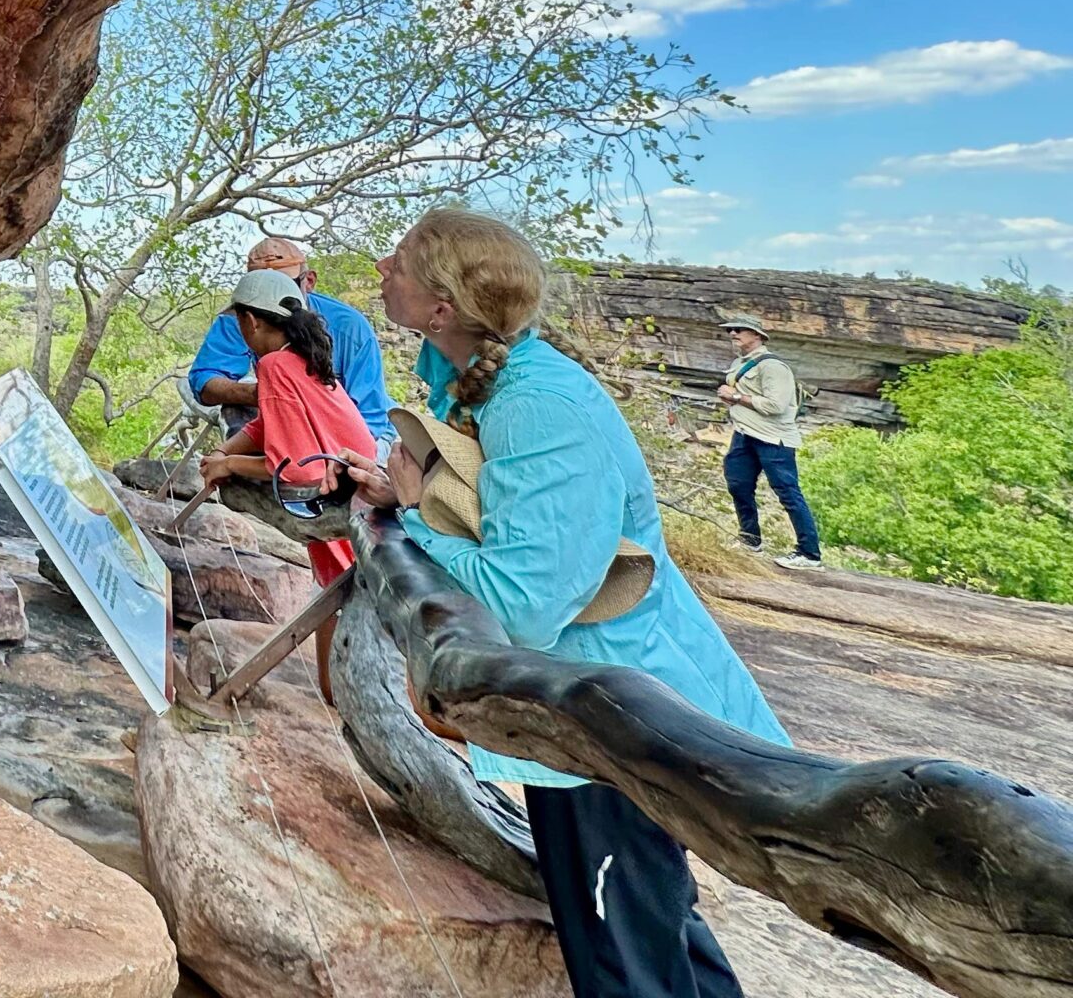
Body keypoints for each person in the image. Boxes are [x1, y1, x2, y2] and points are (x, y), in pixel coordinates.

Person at [338, 209, 788, 998]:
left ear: (442, 307)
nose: (382, 266)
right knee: (653, 932)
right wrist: (412, 493)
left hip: (616, 719)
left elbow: (523, 603)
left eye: (399, 258)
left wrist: (413, 516)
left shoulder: (537, 407)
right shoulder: (487, 380)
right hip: (590, 707)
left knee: (623, 957)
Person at [197, 268, 377, 699]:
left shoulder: (275, 365)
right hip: (358, 491)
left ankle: (336, 695)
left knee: (339, 597)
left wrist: (230, 465)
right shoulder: (300, 357)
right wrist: (225, 452)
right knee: (337, 592)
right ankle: (335, 692)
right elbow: (268, 422)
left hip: (336, 500)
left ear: (250, 321)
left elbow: (291, 468)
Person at [189, 235, 396, 451]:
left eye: (284, 286)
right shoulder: (240, 322)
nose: (268, 297)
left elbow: (368, 423)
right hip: (296, 430)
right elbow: (204, 381)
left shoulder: (350, 328)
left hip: (356, 440)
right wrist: (264, 395)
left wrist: (233, 463)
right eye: (259, 288)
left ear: (309, 281)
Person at [715, 312, 823, 570]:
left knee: (788, 493)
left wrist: (736, 397)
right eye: (730, 329)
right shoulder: (740, 363)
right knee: (738, 484)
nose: (733, 333)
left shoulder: (773, 366)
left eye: (739, 329)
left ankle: (809, 554)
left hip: (773, 440)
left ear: (757, 335)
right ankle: (750, 540)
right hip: (745, 434)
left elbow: (776, 405)